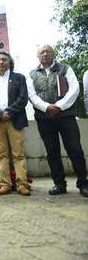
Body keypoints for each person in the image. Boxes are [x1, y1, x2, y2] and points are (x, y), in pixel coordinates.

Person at [27, 44, 88, 197]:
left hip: (66, 116)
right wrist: (47, 107)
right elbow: (32, 95)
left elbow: (74, 89)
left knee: (75, 149)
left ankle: (83, 183)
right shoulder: (32, 74)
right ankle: (59, 184)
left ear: (54, 54)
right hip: (44, 118)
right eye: (42, 52)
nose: (45, 54)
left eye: (48, 51)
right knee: (52, 151)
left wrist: (59, 106)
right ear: (38, 55)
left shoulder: (65, 69)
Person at [0, 51, 30, 196]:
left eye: (4, 59)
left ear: (9, 62)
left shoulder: (19, 78)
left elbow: (23, 98)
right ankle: (5, 184)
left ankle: (22, 185)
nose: (1, 62)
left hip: (14, 120)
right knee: (1, 155)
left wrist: (8, 112)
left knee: (18, 154)